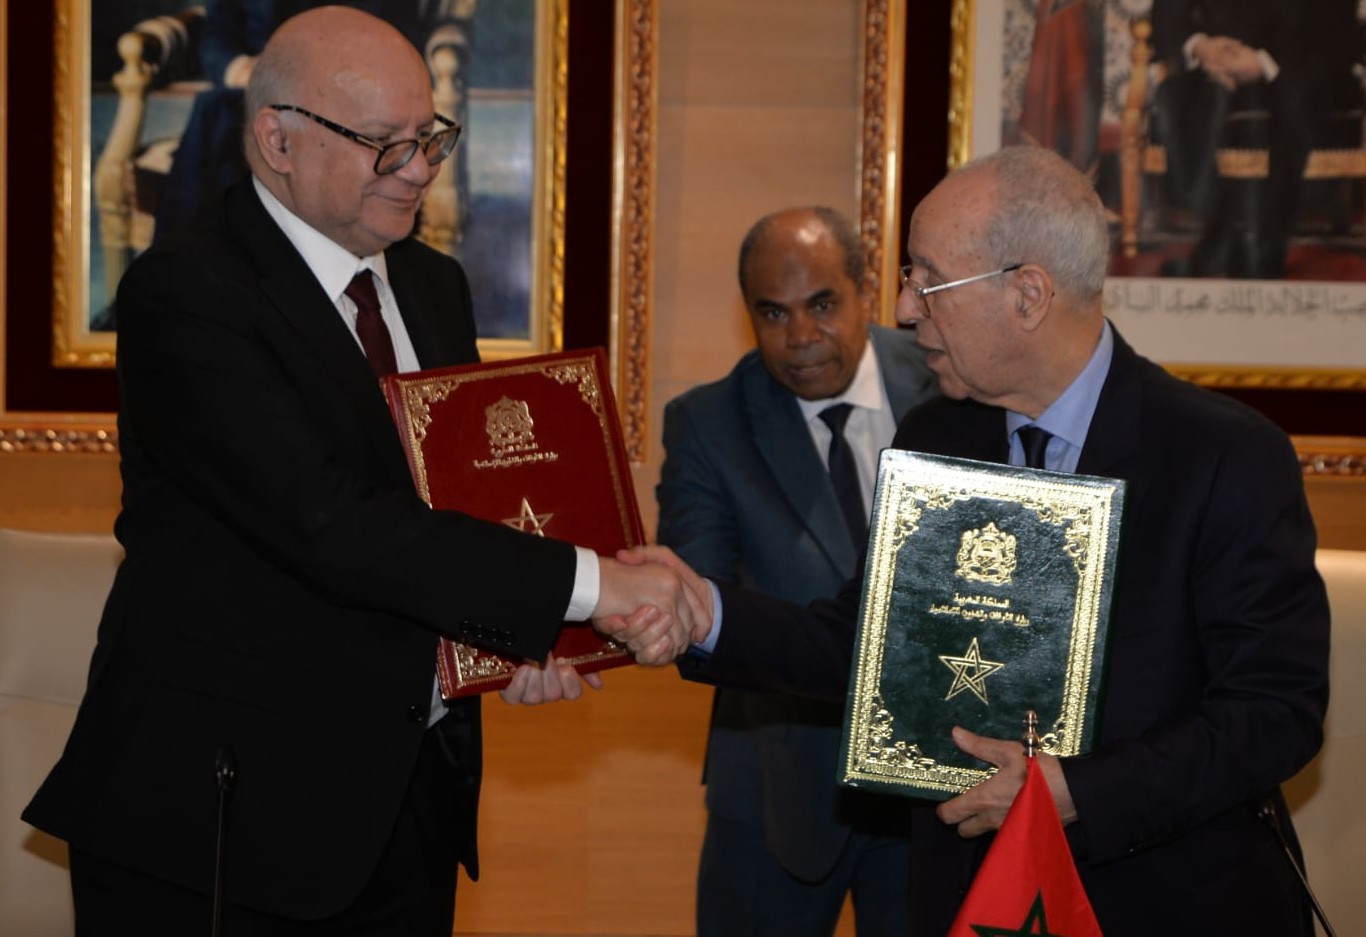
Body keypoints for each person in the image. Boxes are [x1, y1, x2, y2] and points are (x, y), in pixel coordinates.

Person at [23, 8, 703, 935]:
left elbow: (454, 507)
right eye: (386, 143)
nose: (419, 168)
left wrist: (506, 647)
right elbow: (329, 523)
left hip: (405, 804)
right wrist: (588, 586)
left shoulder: (431, 285)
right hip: (223, 820)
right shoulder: (187, 291)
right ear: (278, 140)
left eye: (431, 137)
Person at [623, 145, 1330, 935]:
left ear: (1028, 294)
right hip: (969, 897)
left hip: (1165, 899)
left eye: (928, 280)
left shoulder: (1222, 456)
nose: (903, 308)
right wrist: (705, 612)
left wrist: (1070, 793)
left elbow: (1275, 711)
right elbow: (863, 640)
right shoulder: (939, 435)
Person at [657, 207, 936, 936]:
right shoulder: (708, 425)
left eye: (822, 304)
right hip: (777, 789)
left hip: (937, 793)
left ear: (866, 290)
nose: (800, 336)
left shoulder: (946, 376)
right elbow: (696, 612)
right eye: (773, 313)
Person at [1150, 0, 1361, 278]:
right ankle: (1216, 238)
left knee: (1289, 105)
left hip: (1298, 69)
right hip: (1213, 66)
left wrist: (1263, 64)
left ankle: (1264, 246)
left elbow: (1337, 30)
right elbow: (1167, 11)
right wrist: (1200, 46)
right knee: (1176, 100)